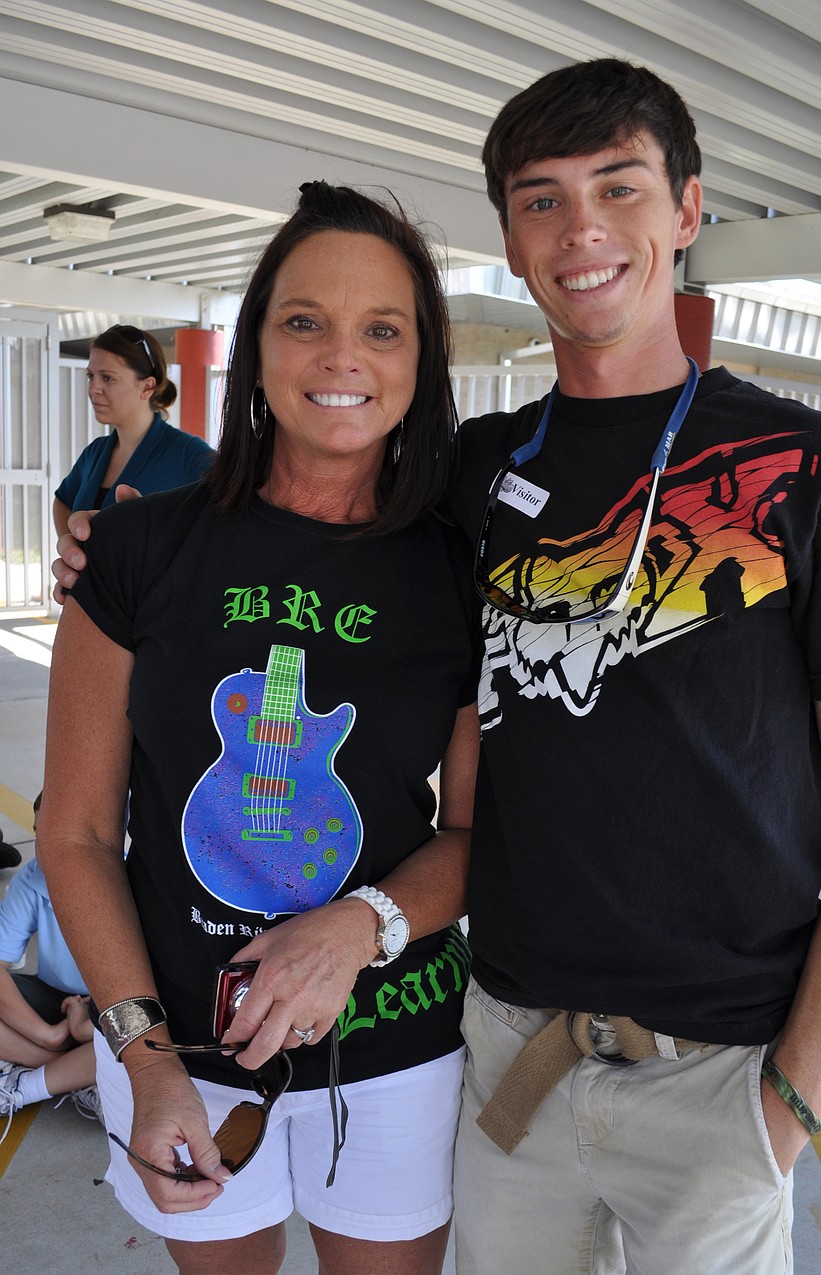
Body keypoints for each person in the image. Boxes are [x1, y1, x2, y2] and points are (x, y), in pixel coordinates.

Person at [445, 58, 821, 1274]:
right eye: (541, 199)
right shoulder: (472, 467)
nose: (581, 232)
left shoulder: (807, 466)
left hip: (722, 1081)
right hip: (509, 1059)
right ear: (511, 239)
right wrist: (137, 537)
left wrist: (793, 1099)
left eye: (617, 188)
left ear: (685, 210)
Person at [40, 181, 480, 1275]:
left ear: (420, 361)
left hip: (392, 1042)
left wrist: (360, 924)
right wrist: (142, 1060)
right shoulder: (138, 553)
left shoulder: (461, 572)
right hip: (177, 1044)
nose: (342, 356)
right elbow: (77, 833)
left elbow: (477, 834)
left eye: (382, 329)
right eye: (304, 322)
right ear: (254, 347)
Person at [0, 792, 99, 1143]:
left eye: (53, 833)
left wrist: (86, 1023)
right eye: (37, 831)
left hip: (114, 1002)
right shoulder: (33, 878)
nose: (42, 847)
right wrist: (50, 1034)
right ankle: (74, 1075)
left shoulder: (136, 881)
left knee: (139, 1035)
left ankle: (29, 1085)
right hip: (57, 1000)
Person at [53, 323, 214, 536]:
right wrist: (73, 553)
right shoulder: (95, 453)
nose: (93, 389)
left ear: (147, 386)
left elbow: (232, 515)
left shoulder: (189, 454)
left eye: (108, 377)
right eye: (91, 376)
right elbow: (63, 501)